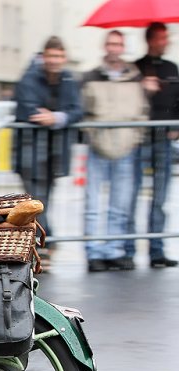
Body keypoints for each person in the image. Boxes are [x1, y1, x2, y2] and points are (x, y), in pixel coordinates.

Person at [82, 30, 149, 273]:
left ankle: (113, 251)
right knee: (93, 203)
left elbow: (142, 112)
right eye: (110, 43)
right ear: (104, 46)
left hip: (126, 148)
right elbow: (84, 110)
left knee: (119, 204)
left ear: (123, 48)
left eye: (118, 44)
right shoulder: (90, 76)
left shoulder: (134, 78)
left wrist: (135, 138)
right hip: (98, 147)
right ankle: (93, 251)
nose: (114, 48)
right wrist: (92, 134)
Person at [14, 36, 83, 255]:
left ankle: (41, 241)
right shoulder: (29, 78)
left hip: (55, 149)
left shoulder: (68, 80)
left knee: (46, 198)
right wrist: (58, 117)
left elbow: (77, 110)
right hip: (30, 149)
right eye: (52, 55)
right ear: (44, 56)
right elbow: (29, 111)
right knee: (36, 197)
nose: (55, 60)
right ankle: (44, 241)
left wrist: (56, 117)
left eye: (60, 56)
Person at [130, 22, 179, 268]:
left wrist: (176, 128)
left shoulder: (172, 68)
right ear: (150, 39)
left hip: (163, 141)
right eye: (161, 38)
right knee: (132, 196)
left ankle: (157, 251)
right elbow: (128, 102)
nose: (165, 42)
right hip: (139, 140)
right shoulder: (137, 68)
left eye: (166, 38)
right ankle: (127, 251)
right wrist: (143, 88)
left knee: (160, 199)